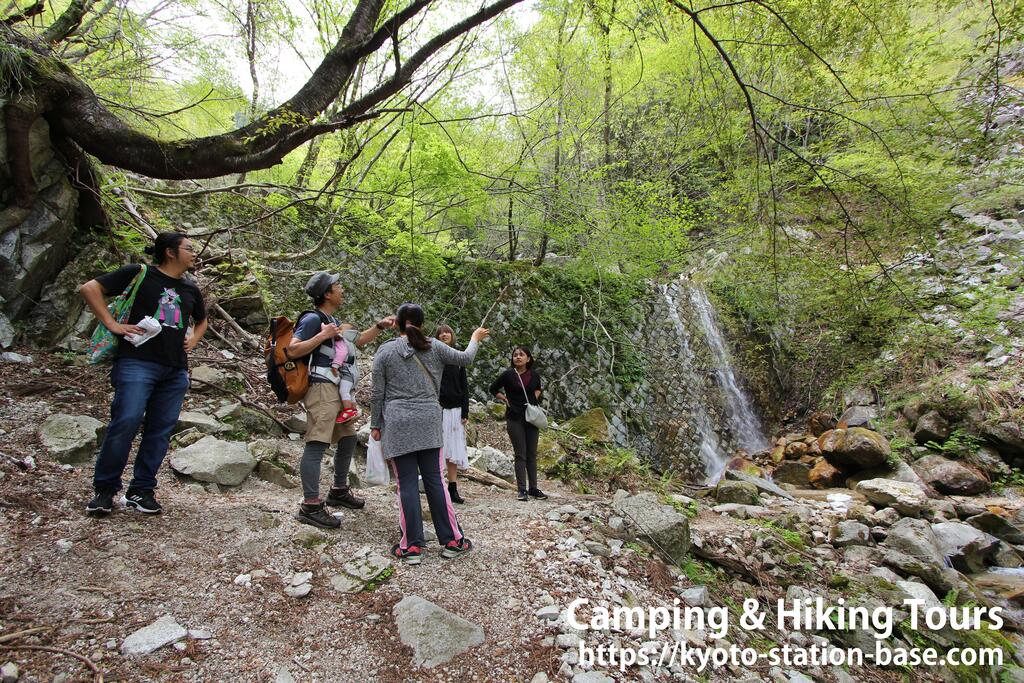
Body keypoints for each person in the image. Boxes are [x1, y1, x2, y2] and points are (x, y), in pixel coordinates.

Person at [79, 232, 207, 517]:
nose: (194, 253)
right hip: (137, 362)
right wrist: (112, 323)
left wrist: (195, 339)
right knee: (127, 420)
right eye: (189, 248)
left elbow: (202, 319)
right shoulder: (140, 273)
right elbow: (90, 288)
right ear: (170, 252)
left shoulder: (190, 288)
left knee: (160, 431)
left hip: (175, 369)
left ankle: (141, 490)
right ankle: (105, 490)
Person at [370, 304, 488, 564]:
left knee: (406, 484)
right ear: (423, 324)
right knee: (435, 481)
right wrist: (475, 338)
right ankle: (452, 541)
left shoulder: (385, 351)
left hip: (397, 422)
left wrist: (375, 425)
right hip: (429, 420)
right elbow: (466, 358)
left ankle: (411, 546)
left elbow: (377, 393)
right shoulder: (434, 346)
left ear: (398, 323)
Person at [288, 272, 395, 529]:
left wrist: (379, 327)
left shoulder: (332, 320)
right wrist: (322, 336)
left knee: (347, 438)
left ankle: (338, 490)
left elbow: (357, 340)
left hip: (337, 390)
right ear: (327, 293)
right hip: (322, 389)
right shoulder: (313, 319)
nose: (342, 289)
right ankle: (310, 505)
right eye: (337, 286)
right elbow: (293, 349)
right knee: (317, 442)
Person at [489, 346, 547, 502]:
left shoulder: (534, 375)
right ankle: (522, 489)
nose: (518, 357)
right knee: (520, 454)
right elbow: (493, 388)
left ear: (528, 359)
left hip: (532, 418)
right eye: (515, 355)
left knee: (532, 454)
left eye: (522, 355)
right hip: (514, 417)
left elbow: (538, 389)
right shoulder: (508, 375)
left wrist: (533, 400)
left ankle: (533, 488)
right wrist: (505, 399)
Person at [435, 324, 469, 504]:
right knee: (438, 447)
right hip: (438, 408)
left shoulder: (458, 357)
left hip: (455, 409)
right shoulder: (434, 357)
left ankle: (453, 487)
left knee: (453, 450)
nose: (444, 335)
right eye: (440, 333)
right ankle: (437, 486)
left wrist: (465, 410)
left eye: (447, 332)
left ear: (452, 335)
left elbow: (464, 385)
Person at [332, 323, 358, 424]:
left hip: (347, 373)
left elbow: (341, 353)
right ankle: (354, 409)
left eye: (341, 328)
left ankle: (348, 411)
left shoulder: (342, 340)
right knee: (350, 392)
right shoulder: (351, 342)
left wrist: (335, 366)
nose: (338, 329)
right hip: (353, 373)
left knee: (344, 391)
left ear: (350, 333)